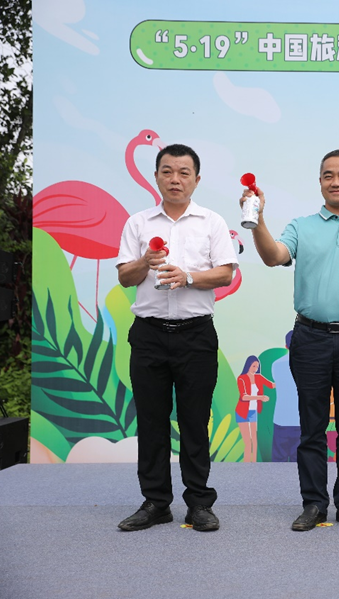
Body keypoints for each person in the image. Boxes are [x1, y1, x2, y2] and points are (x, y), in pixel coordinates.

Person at [245, 149, 339, 531]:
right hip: (309, 337)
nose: (336, 181)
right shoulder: (301, 226)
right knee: (311, 427)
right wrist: (258, 219)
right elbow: (273, 256)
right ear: (320, 182)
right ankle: (313, 503)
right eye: (328, 175)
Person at [116, 144, 237, 532]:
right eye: (167, 171)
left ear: (196, 180)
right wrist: (144, 262)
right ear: (156, 177)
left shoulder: (211, 222)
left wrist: (188, 277)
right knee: (151, 421)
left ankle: (199, 503)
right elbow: (125, 277)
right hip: (149, 334)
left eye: (184, 173)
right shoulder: (138, 223)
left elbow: (226, 274)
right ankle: (155, 503)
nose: (175, 179)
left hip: (195, 335)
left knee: (194, 421)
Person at [235, 355, 275, 463]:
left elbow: (271, 385)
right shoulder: (241, 378)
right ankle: (247, 465)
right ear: (248, 365)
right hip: (242, 412)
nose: (255, 369)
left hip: (253, 412)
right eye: (253, 366)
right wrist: (260, 397)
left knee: (254, 441)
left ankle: (254, 465)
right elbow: (244, 397)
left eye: (257, 367)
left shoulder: (258, 377)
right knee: (248, 442)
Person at [271, 330, 301, 462]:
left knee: (278, 461)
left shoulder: (276, 364)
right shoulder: (309, 365)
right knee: (299, 462)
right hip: (301, 419)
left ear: (285, 346)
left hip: (281, 418)